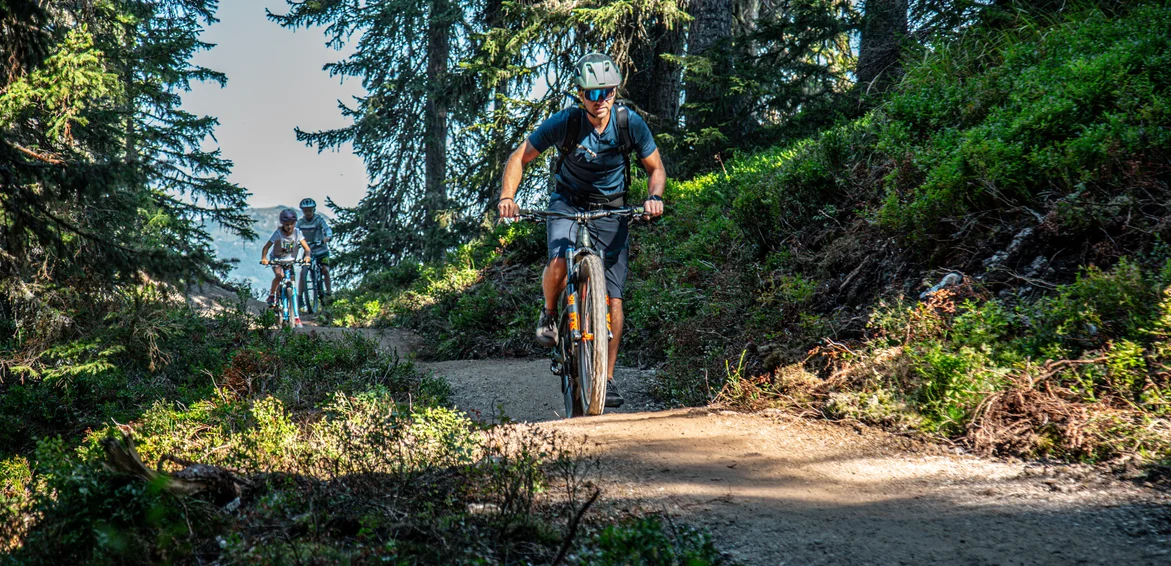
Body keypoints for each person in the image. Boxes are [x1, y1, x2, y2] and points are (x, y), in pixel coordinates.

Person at [497, 53, 666, 408]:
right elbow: (519, 157)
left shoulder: (629, 123)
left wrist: (654, 198)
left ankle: (606, 378)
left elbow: (656, 168)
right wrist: (507, 197)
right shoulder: (567, 122)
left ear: (615, 91)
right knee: (559, 260)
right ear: (581, 95)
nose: (600, 99)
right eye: (593, 93)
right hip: (568, 202)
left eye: (607, 91)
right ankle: (549, 313)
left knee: (614, 300)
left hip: (612, 208)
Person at [261, 208, 312, 327]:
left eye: (291, 224)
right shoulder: (278, 233)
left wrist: (307, 256)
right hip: (277, 260)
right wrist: (264, 258)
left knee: (292, 284)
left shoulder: (297, 233)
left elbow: (307, 248)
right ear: (283, 224)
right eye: (286, 224)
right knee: (279, 276)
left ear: (295, 223)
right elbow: (266, 247)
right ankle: (272, 295)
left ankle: (296, 317)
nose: (289, 227)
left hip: (290, 261)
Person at [296, 197, 334, 299]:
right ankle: (300, 296)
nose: (308, 213)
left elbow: (327, 229)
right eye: (305, 211)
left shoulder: (319, 220)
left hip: (322, 251)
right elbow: (295, 233)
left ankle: (329, 292)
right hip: (308, 251)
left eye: (310, 210)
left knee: (325, 270)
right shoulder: (300, 222)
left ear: (314, 210)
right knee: (303, 272)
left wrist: (327, 237)